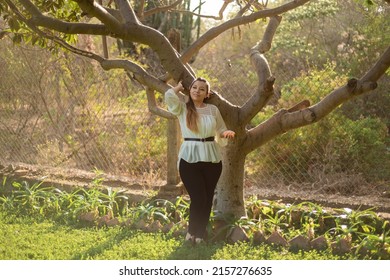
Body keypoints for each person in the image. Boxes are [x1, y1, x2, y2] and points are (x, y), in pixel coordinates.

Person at [165, 77, 235, 244]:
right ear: (190, 90)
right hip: (189, 158)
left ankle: (200, 235)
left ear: (207, 93)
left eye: (201, 89)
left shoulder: (213, 110)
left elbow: (221, 129)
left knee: (208, 197)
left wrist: (226, 134)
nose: (197, 90)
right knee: (198, 197)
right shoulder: (182, 108)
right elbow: (168, 96)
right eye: (194, 87)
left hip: (211, 158)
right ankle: (192, 233)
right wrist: (178, 87)